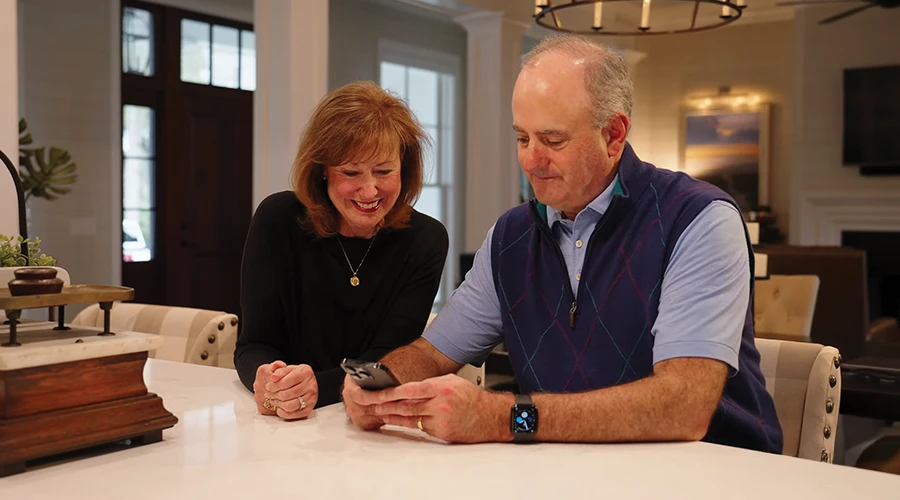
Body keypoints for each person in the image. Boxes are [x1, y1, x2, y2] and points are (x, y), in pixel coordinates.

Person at [341, 35, 783, 453]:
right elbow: (433, 353)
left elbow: (683, 407)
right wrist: (379, 383)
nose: (531, 161)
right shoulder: (510, 237)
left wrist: (506, 418)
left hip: (715, 475)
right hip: (568, 473)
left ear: (614, 135)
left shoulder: (699, 219)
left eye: (553, 140)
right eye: (522, 138)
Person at [235, 81, 449, 420]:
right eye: (350, 172)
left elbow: (390, 362)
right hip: (278, 425)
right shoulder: (277, 220)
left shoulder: (426, 239)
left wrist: (318, 388)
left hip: (367, 420)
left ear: (404, 168)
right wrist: (268, 380)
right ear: (322, 170)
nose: (369, 190)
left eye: (384, 171)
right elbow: (253, 344)